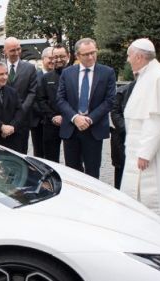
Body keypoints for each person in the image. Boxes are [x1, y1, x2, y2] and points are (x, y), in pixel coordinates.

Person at [121, 38, 160, 234]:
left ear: (139, 56)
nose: (128, 59)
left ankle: (158, 234)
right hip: (144, 149)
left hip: (156, 152)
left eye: (130, 56)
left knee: (155, 193)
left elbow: (158, 118)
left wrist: (145, 153)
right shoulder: (146, 75)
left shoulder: (158, 77)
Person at [56, 38, 116, 178]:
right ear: (77, 56)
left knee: (92, 172)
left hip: (94, 129)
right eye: (86, 54)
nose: (90, 57)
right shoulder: (67, 73)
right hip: (71, 129)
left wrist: (89, 119)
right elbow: (60, 99)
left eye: (93, 52)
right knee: (72, 172)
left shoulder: (107, 72)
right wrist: (75, 118)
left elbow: (109, 100)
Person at [3, 37, 37, 154]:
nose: (17, 53)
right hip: (2, 119)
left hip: (22, 120)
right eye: (12, 50)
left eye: (18, 49)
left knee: (21, 153)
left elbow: (32, 92)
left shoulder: (30, 68)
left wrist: (21, 111)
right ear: (5, 51)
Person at [36, 45, 69, 162]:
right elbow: (41, 100)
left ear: (68, 56)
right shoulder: (46, 78)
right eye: (56, 57)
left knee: (73, 161)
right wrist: (53, 116)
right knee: (50, 161)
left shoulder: (75, 76)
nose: (59, 59)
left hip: (71, 123)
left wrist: (65, 116)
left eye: (62, 56)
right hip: (51, 123)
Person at [109, 78, 136, 189]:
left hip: (141, 140)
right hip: (121, 139)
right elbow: (115, 112)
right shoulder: (122, 91)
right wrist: (128, 130)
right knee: (120, 173)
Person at [31, 46, 54, 158]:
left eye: (54, 58)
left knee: (52, 154)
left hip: (54, 123)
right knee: (39, 154)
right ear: (43, 59)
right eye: (50, 58)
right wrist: (47, 114)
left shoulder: (60, 76)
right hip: (38, 122)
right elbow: (32, 98)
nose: (52, 61)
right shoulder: (34, 76)